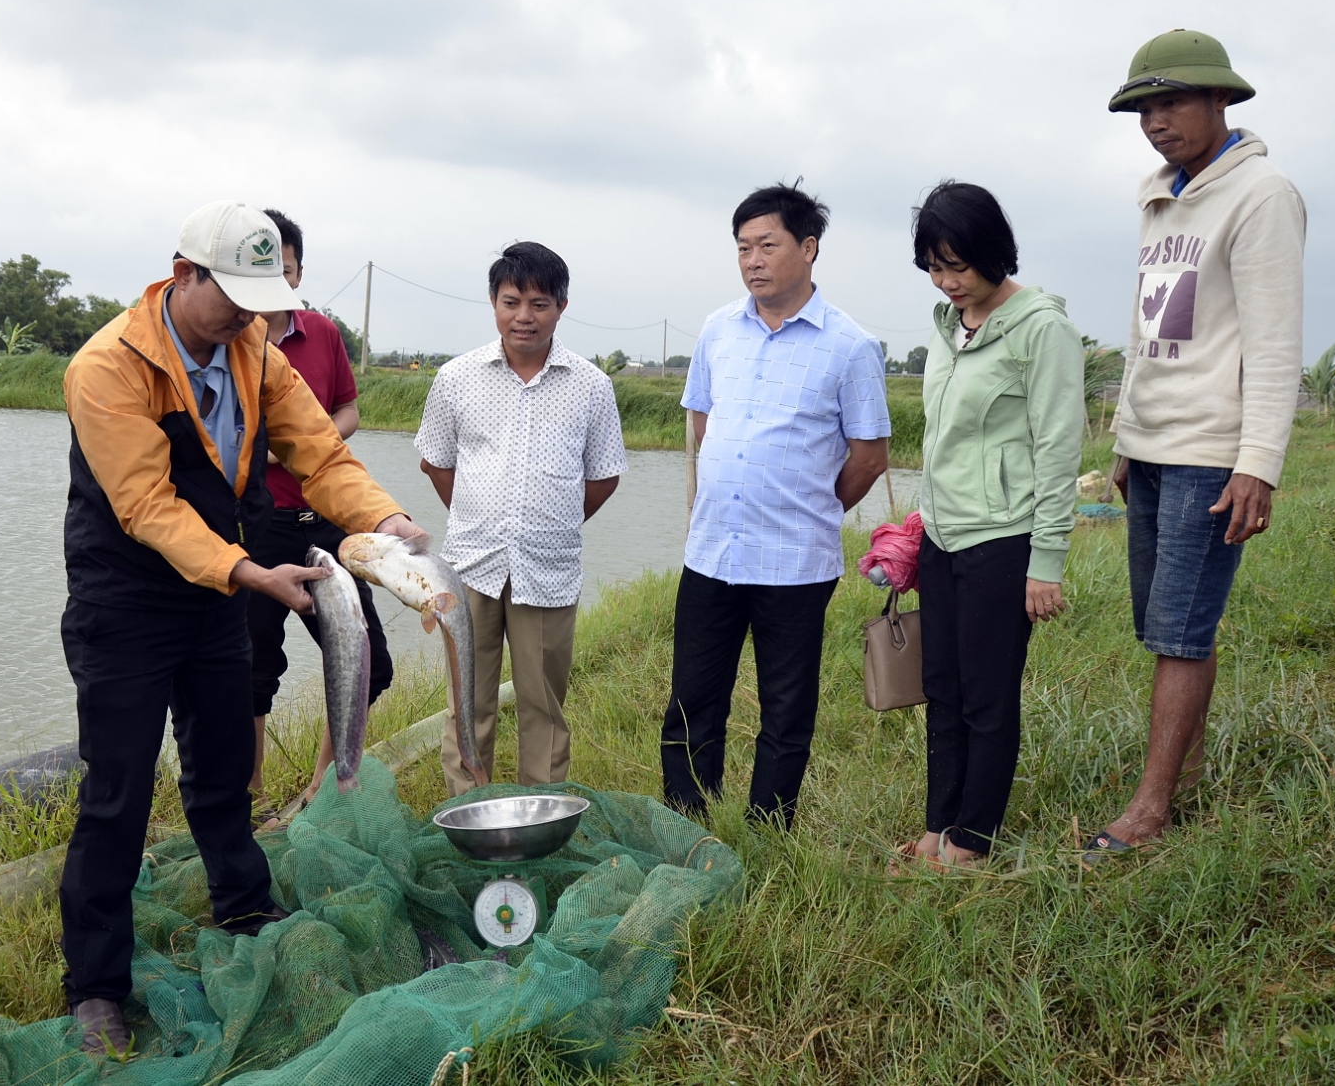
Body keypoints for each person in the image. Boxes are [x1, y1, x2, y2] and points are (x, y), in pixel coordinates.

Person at [59, 200, 427, 1052]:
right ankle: (96, 982)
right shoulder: (108, 365)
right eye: (231, 296)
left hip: (221, 586)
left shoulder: (255, 347)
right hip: (127, 599)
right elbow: (148, 505)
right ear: (183, 274)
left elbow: (320, 453)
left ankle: (244, 901)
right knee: (116, 789)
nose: (249, 316)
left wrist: (385, 520)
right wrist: (247, 570)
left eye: (261, 299)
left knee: (224, 760)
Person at [1086, 30, 1305, 865]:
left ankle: (1150, 807)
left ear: (1221, 99)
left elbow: (1276, 342)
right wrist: (1123, 437)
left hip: (1213, 449)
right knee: (1162, 619)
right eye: (1144, 106)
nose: (1155, 121)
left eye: (1171, 102)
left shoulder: (1262, 194)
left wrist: (1259, 462)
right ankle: (1186, 768)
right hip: (1153, 442)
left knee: (1180, 627)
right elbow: (1147, 333)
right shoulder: (1159, 195)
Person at [661, 182, 891, 830]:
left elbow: (869, 456)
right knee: (692, 700)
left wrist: (812, 503)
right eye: (742, 247)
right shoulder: (717, 330)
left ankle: (767, 831)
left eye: (767, 244)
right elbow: (705, 425)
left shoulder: (851, 346)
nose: (753, 259)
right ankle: (685, 821)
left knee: (785, 707)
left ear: (809, 247)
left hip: (796, 562)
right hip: (712, 553)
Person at [892, 182, 1084, 871]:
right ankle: (937, 824)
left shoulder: (1041, 329)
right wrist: (917, 526)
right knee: (941, 686)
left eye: (958, 265)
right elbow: (945, 439)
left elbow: (1060, 449)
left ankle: (974, 838)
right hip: (943, 537)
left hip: (1003, 541)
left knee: (988, 694)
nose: (947, 282)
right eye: (935, 267)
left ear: (992, 252)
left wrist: (1048, 559)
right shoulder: (948, 327)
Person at [414, 242, 626, 795]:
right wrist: (475, 517)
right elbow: (435, 462)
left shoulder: (591, 386)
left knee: (544, 707)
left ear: (561, 306)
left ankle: (541, 815)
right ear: (493, 302)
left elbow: (604, 476)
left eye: (539, 303)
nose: (524, 316)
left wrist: (550, 523)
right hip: (471, 566)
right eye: (512, 302)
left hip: (547, 571)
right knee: (469, 703)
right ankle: (468, 812)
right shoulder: (457, 377)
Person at [244, 208, 393, 805]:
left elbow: (349, 413)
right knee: (250, 671)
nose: (272, 284)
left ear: (298, 274)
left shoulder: (323, 334)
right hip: (255, 527)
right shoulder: (229, 343)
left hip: (326, 521)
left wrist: (309, 444)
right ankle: (247, 798)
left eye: (284, 270)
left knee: (366, 661)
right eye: (260, 271)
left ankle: (320, 789)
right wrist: (285, 451)